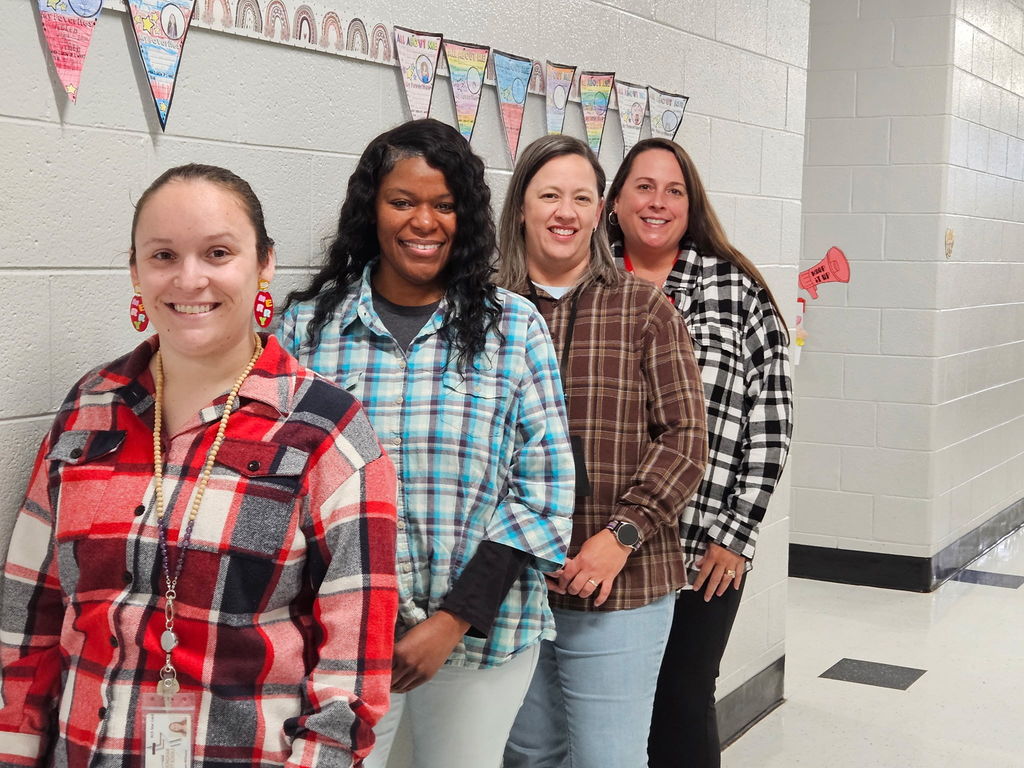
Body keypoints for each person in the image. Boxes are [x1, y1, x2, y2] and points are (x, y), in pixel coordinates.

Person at [0, 164, 399, 767]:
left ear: (263, 261)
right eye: (163, 255)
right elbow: (28, 620)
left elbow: (353, 664)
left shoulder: (329, 430)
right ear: (135, 271)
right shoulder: (89, 408)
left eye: (217, 252)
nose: (190, 279)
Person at [275, 119, 574, 768]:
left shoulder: (513, 329)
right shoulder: (307, 330)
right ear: (371, 210)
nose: (424, 222)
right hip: (341, 638)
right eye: (403, 201)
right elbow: (278, 483)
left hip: (478, 642)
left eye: (444, 205)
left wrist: (452, 621)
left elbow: (545, 493)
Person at [497, 135, 708, 768]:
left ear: (600, 213)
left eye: (581, 197)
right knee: (528, 755)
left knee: (607, 758)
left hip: (623, 584)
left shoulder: (644, 310)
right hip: (512, 582)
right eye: (550, 195)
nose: (565, 211)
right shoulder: (486, 311)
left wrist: (620, 535)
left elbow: (686, 441)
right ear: (522, 208)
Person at [605, 138, 793, 768]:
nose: (657, 202)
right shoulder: (587, 281)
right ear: (616, 200)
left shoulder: (734, 291)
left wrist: (735, 534)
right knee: (611, 702)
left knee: (682, 697)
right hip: (605, 544)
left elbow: (770, 418)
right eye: (644, 186)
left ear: (692, 205)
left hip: (701, 545)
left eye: (674, 190)